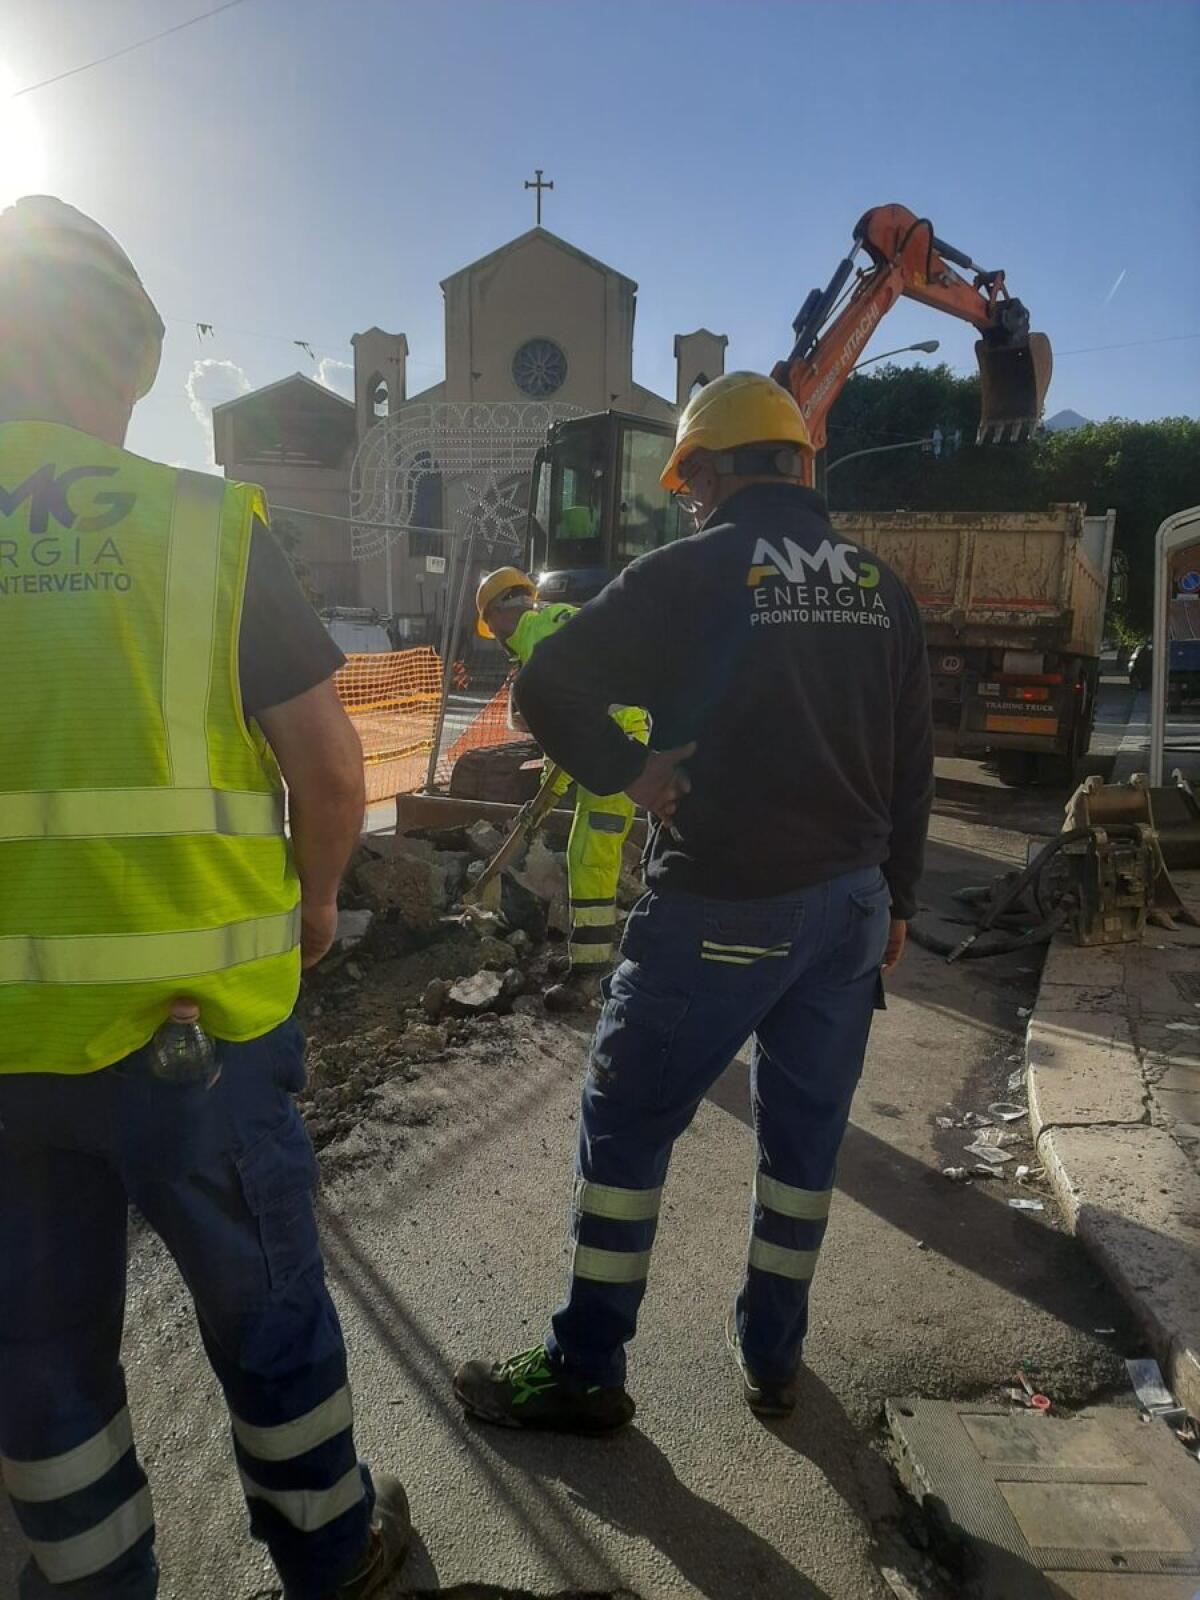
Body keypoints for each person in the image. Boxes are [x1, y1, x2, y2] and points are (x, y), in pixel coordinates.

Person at [0, 197, 410, 1599]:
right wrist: (308, 909)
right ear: (126, 367)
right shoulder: (200, 528)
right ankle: (334, 1567)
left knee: (41, 1367)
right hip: (199, 1046)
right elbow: (332, 773)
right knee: (269, 1328)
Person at [455, 371, 933, 1429]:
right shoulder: (880, 587)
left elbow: (548, 683)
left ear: (709, 472)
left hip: (724, 904)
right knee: (803, 1151)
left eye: (688, 484)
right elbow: (912, 763)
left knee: (626, 1127)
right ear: (801, 466)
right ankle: (773, 1358)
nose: (688, 501)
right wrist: (897, 897)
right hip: (850, 912)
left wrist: (630, 773)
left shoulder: (696, 570)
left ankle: (585, 1367)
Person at [474, 567, 648, 1009]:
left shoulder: (536, 643)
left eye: (489, 624)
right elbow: (570, 736)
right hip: (617, 744)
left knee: (591, 856)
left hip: (619, 749)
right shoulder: (554, 623)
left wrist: (544, 800)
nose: (492, 634)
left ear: (497, 614)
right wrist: (541, 804)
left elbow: (569, 730)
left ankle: (590, 975)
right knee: (585, 851)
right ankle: (586, 958)